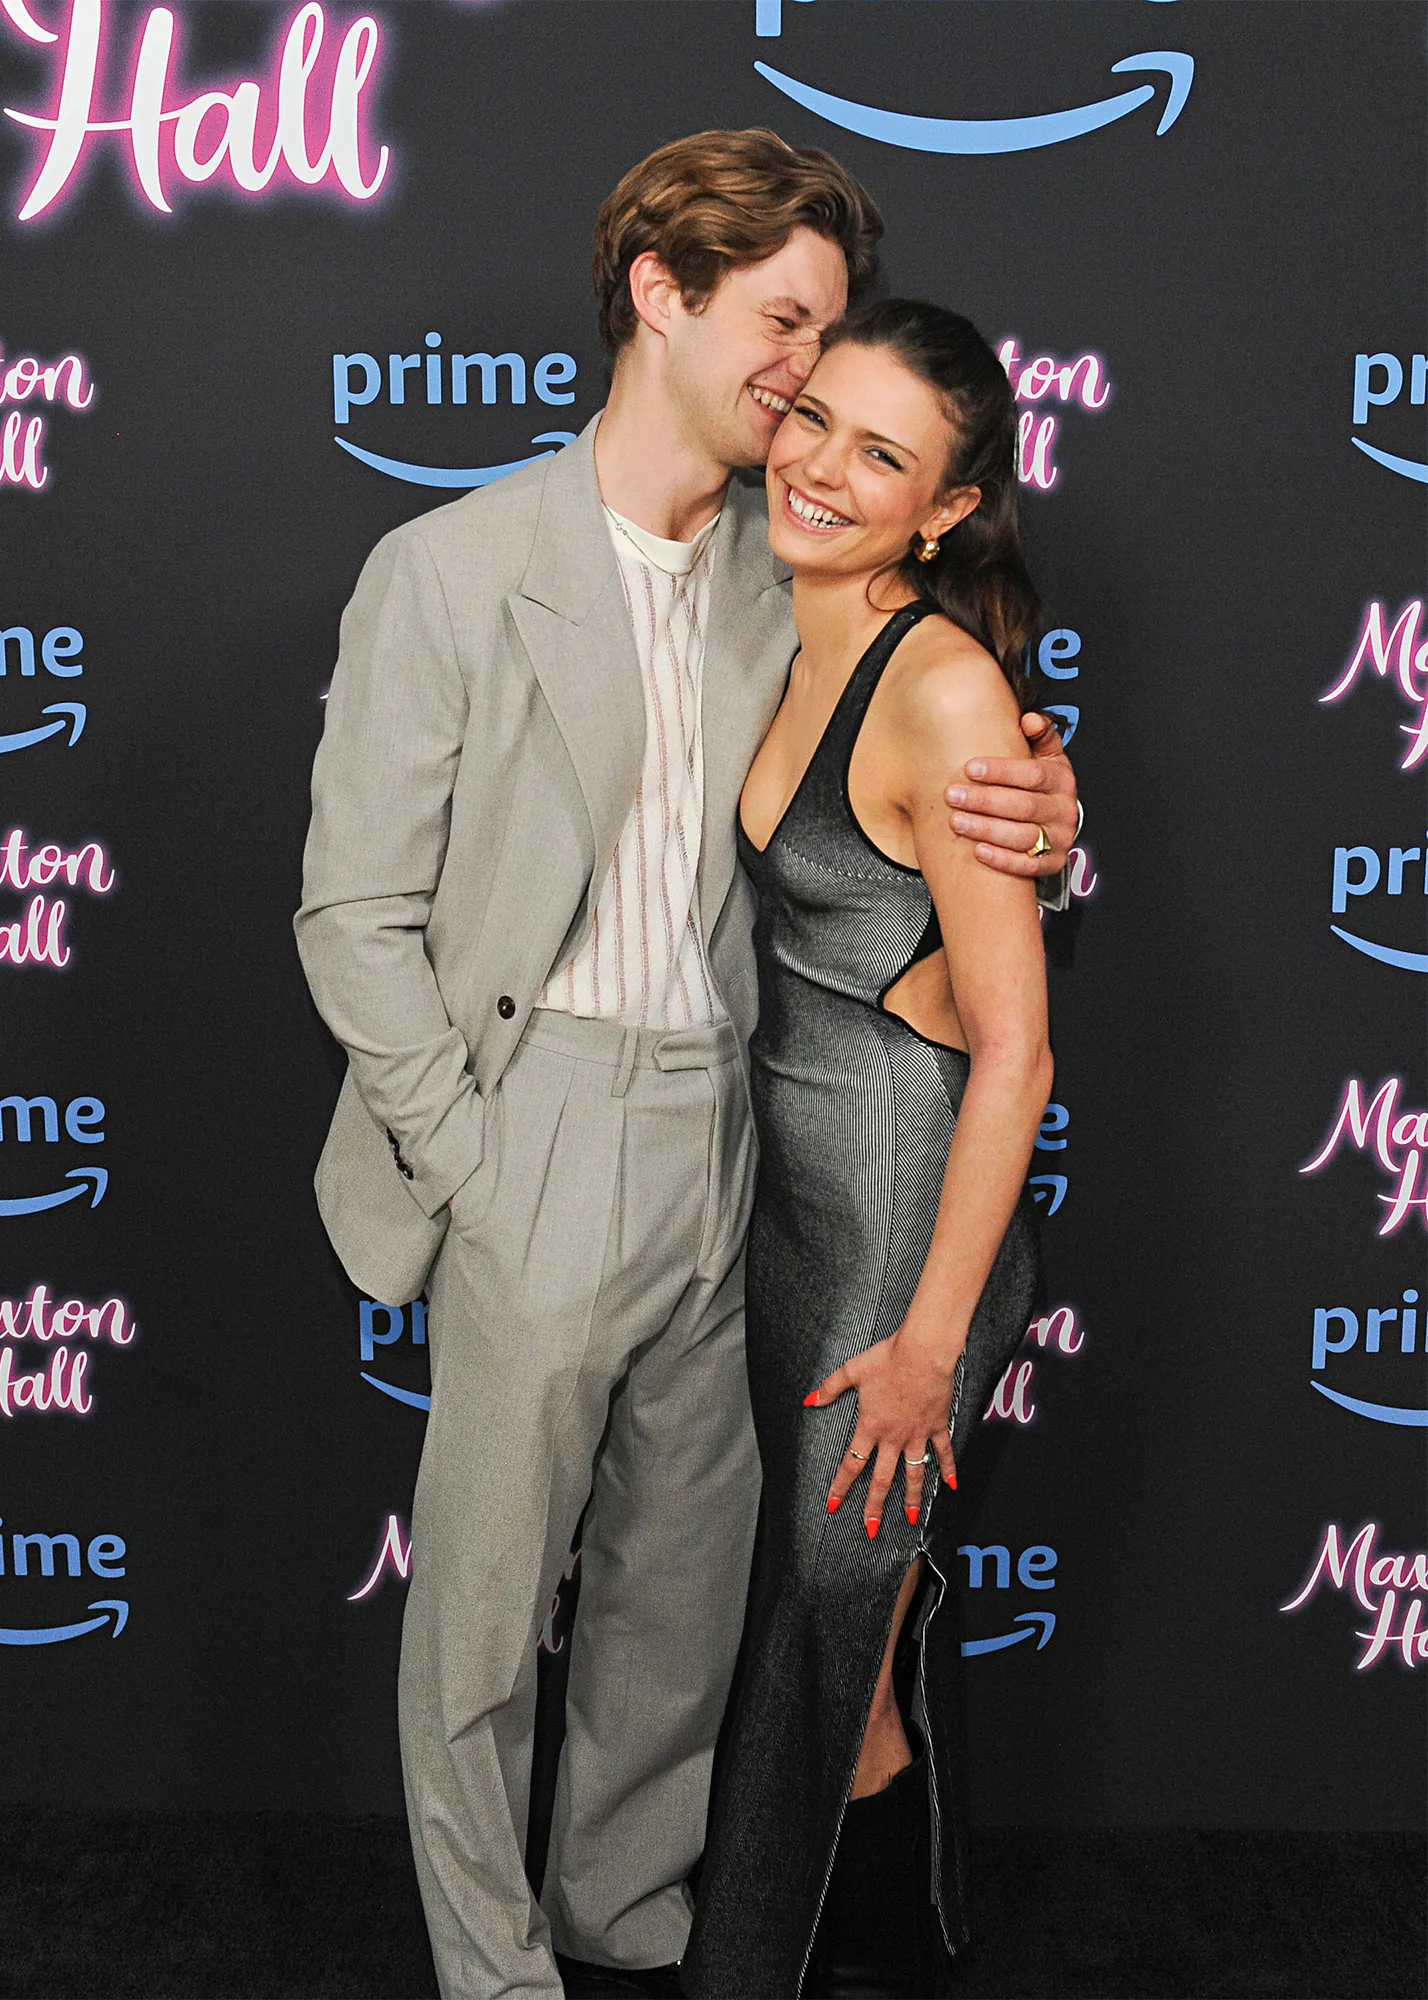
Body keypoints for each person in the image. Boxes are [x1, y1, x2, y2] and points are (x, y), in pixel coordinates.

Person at [296, 133, 1078, 2000]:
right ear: (662, 291)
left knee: (677, 1594)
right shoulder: (449, 568)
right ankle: (494, 1972)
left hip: (747, 1137)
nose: (809, 379)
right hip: (533, 1124)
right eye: (786, 325)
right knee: (484, 1613)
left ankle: (628, 1928)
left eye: (831, 338)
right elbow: (352, 915)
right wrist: (472, 1166)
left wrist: (1037, 802)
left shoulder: (785, 561)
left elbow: (922, 741)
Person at [681, 300, 1055, 2000]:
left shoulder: (946, 691)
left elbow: (1016, 1053)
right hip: (797, 1218)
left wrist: (926, 1347)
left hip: (904, 1238)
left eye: (881, 455)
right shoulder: (775, 617)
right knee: (830, 1636)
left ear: (947, 508)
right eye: (814, 417)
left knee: (833, 1659)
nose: (822, 467)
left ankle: (847, 1966)